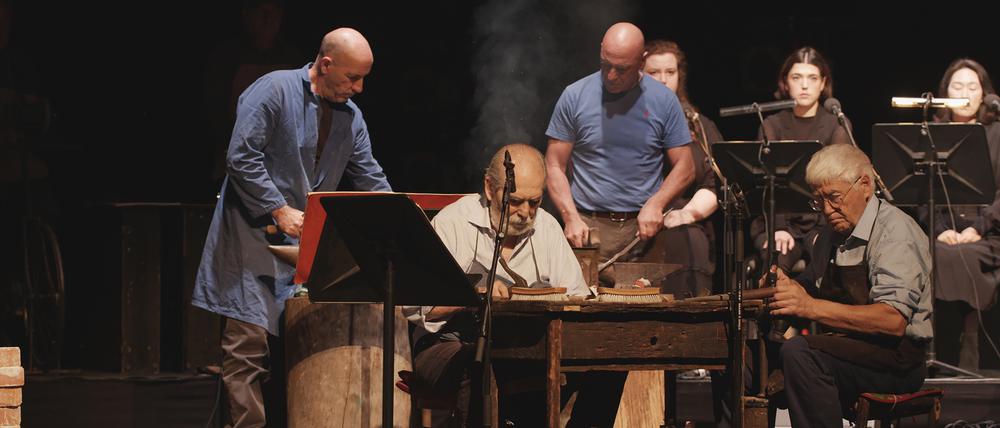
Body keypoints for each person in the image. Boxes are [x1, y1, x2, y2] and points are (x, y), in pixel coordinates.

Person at [192, 28, 391, 428]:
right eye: (352, 78)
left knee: (294, 351)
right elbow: (241, 156)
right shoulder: (274, 90)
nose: (359, 88)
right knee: (247, 352)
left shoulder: (351, 119)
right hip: (251, 243)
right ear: (326, 63)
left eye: (364, 78)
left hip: (302, 252)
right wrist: (277, 208)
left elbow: (370, 178)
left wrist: (402, 220)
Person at [402, 144, 591, 427]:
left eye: (535, 203)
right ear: (490, 188)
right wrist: (473, 296)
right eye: (514, 201)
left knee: (603, 368)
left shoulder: (547, 228)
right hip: (448, 344)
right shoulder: (453, 223)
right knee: (478, 360)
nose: (526, 213)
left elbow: (577, 296)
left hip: (525, 347)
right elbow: (417, 306)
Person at [771, 143, 931, 428]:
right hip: (846, 347)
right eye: (818, 201)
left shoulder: (895, 233)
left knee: (801, 354)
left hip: (895, 359)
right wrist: (785, 289)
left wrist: (809, 306)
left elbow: (892, 320)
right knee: (742, 358)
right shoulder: (826, 237)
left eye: (834, 197)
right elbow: (811, 286)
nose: (827, 209)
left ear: (865, 185)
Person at [546, 22, 694, 278]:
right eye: (606, 65)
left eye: (622, 69)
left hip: (643, 232)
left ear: (641, 61)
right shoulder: (575, 96)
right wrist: (570, 217)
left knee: (643, 314)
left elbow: (686, 166)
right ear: (601, 51)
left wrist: (656, 204)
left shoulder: (664, 100)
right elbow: (554, 165)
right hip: (587, 230)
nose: (611, 76)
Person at [924, 58, 1000, 370]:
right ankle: (939, 358)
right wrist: (940, 227)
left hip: (989, 234)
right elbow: (917, 190)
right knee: (935, 255)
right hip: (945, 234)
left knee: (965, 257)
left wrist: (980, 228)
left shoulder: (997, 133)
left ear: (984, 94)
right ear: (945, 92)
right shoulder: (932, 132)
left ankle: (970, 361)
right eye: (958, 86)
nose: (965, 93)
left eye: (972, 86)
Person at [752, 46, 851, 275]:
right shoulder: (771, 125)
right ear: (786, 83)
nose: (804, 85)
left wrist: (826, 229)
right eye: (797, 77)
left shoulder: (836, 125)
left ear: (823, 82)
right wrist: (777, 228)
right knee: (775, 262)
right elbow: (765, 187)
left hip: (822, 220)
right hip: (778, 220)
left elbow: (839, 184)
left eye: (812, 78)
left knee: (828, 260)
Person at [641, 39, 723, 297]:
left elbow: (715, 182)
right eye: (654, 72)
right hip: (637, 221)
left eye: (670, 72)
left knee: (689, 239)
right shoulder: (626, 120)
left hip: (686, 219)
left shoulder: (699, 125)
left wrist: (687, 214)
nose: (663, 80)